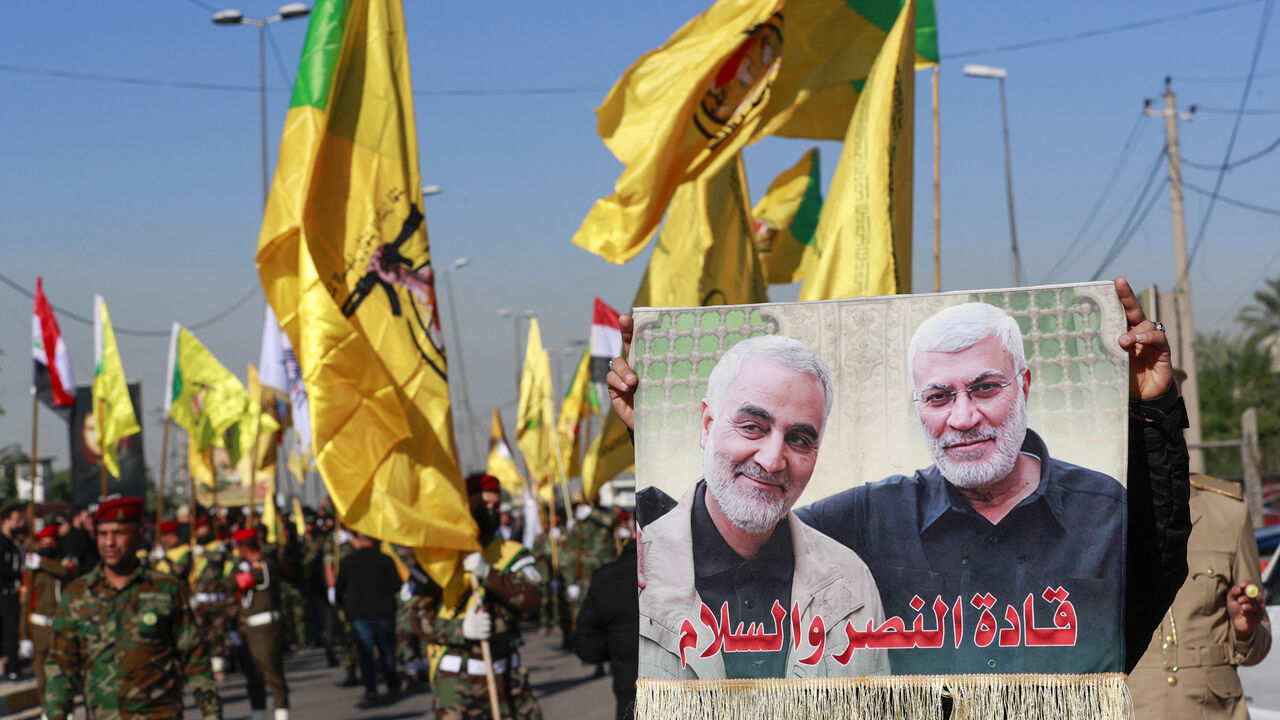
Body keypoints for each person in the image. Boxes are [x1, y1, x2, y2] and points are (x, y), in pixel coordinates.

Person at [608, 277, 1191, 676]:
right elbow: (746, 520)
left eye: (985, 387)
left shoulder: (1100, 506)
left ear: (1026, 386)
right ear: (919, 408)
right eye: (939, 396)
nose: (963, 417)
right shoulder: (866, 519)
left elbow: (1152, 580)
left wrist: (1153, 412)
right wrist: (652, 430)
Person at [638, 335, 888, 679]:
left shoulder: (851, 581)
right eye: (752, 427)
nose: (772, 461)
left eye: (799, 439)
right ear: (707, 426)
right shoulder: (638, 570)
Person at [43, 496, 222, 719]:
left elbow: (194, 658)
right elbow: (62, 666)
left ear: (138, 537)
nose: (109, 543)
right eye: (102, 534)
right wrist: (56, 714)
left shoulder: (166, 589)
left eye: (118, 533)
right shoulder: (77, 596)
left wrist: (212, 713)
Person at [1128, 473, 1272, 720]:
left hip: (1213, 710)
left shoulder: (1229, 513)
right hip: (1133, 707)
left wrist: (1245, 630)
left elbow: (1259, 645)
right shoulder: (1100, 512)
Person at [410, 473, 543, 719]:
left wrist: (487, 573)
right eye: (483, 506)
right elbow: (414, 619)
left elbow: (534, 601)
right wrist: (461, 629)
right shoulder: (437, 557)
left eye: (495, 506)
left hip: (509, 679)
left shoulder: (510, 553)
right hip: (457, 683)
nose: (490, 512)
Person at [574, 533, 639, 720]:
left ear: (633, 532)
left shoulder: (607, 577)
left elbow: (587, 647)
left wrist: (616, 651)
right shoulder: (700, 569)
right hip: (694, 694)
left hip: (632, 691)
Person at [335, 530, 402, 707]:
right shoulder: (385, 560)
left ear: (359, 540)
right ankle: (392, 684)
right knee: (387, 651)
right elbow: (397, 585)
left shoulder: (349, 561)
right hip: (384, 612)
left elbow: (339, 587)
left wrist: (340, 603)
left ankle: (371, 689)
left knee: (366, 653)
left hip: (360, 615)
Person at [233, 526, 290, 720]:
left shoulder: (264, 565)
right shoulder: (246, 565)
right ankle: (258, 714)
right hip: (249, 627)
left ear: (244, 547)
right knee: (253, 676)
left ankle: (281, 713)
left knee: (272, 672)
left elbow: (245, 581)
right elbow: (229, 583)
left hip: (265, 627)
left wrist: (241, 571)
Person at [19, 524, 77, 698]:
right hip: (39, 630)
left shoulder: (65, 562)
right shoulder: (33, 571)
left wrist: (41, 563)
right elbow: (26, 605)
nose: (46, 546)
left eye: (49, 542)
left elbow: (67, 572)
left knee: (62, 676)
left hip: (61, 627)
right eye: (42, 543)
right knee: (42, 679)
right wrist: (23, 637)